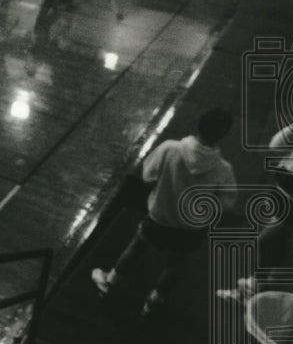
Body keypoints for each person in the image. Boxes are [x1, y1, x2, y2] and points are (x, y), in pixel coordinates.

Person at [92, 108, 237, 315]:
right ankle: (155, 300)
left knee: (136, 247)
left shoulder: (170, 149)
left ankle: (110, 281)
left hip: (159, 217)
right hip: (190, 228)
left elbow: (147, 176)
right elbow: (226, 203)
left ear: (198, 124)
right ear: (223, 134)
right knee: (175, 264)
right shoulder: (224, 169)